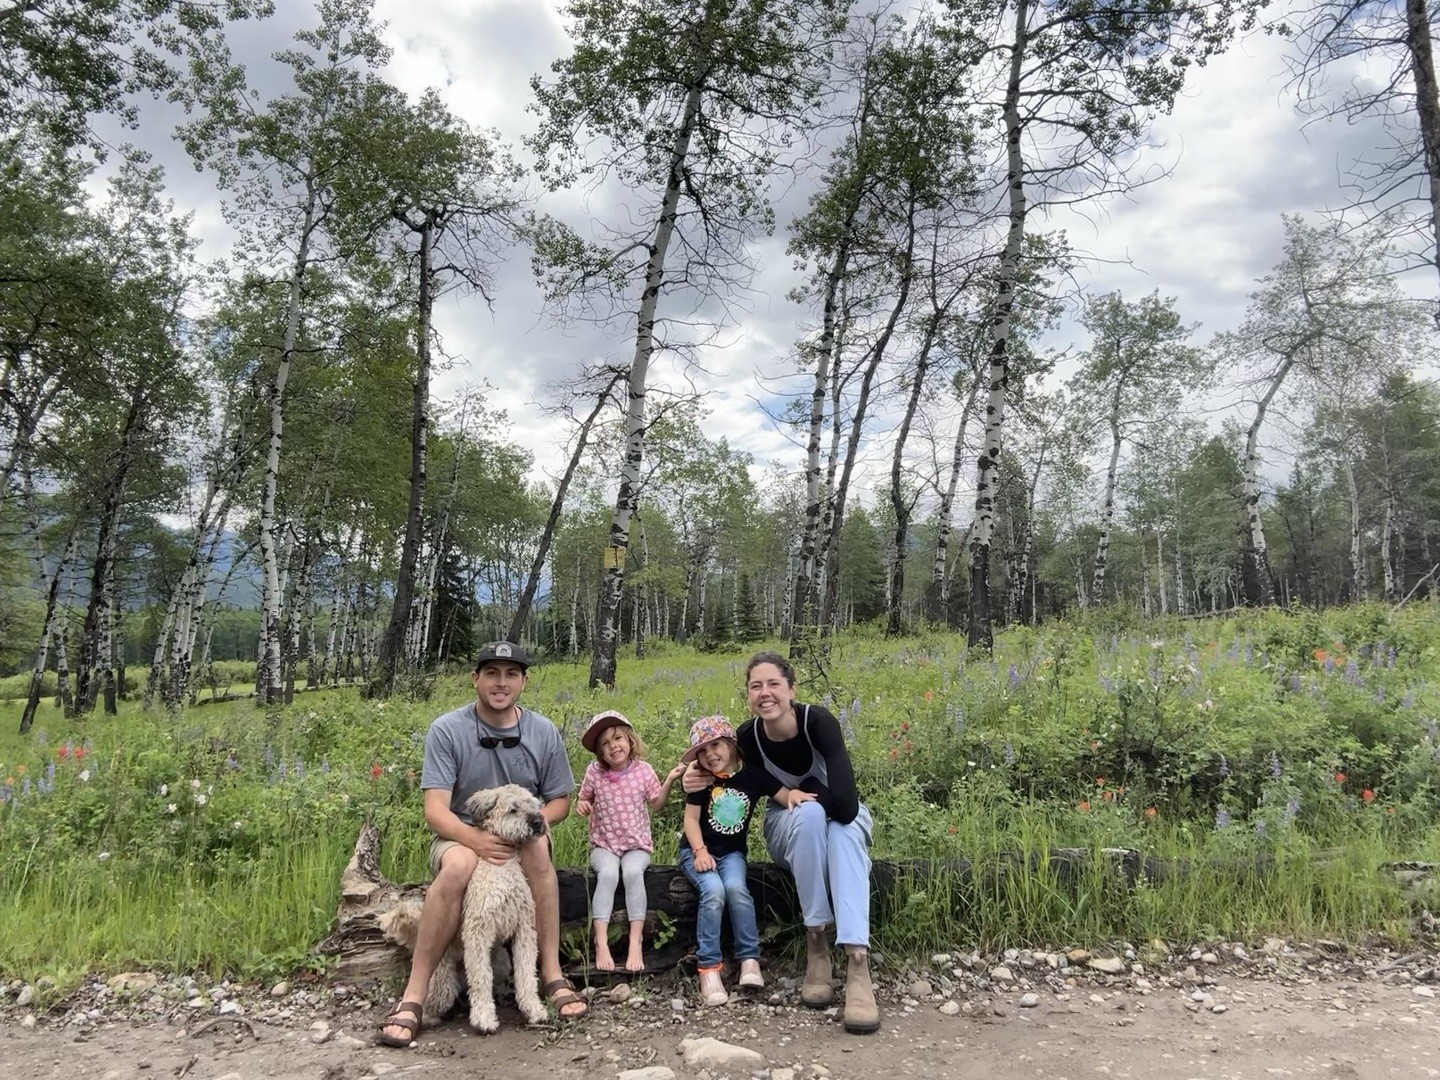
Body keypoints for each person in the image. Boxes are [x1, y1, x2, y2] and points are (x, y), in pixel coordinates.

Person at [377, 641, 587, 1048]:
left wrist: (528, 825)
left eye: (511, 674)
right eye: (491, 673)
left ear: (524, 682)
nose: (501, 683)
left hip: (522, 829)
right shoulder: (447, 729)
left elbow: (560, 802)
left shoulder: (543, 731)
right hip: (460, 832)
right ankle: (415, 994)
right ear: (475, 679)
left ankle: (551, 973)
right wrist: (477, 840)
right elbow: (436, 811)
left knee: (537, 849)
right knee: (458, 866)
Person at [683, 651, 878, 1034]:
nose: (765, 693)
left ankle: (857, 960)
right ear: (748, 695)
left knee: (840, 830)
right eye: (756, 686)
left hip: (841, 821)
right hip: (792, 832)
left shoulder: (818, 723)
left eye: (773, 683)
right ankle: (817, 939)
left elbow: (846, 806)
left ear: (792, 688)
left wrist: (808, 789)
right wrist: (691, 774)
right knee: (808, 816)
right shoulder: (747, 737)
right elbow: (715, 761)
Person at [678, 714, 814, 1007]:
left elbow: (783, 794)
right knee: (714, 892)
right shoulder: (701, 779)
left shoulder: (752, 775)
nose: (709, 754)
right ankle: (708, 967)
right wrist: (700, 851)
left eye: (715, 745)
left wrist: (797, 796)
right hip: (696, 851)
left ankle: (749, 959)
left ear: (730, 744)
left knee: (737, 889)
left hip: (732, 854)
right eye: (702, 750)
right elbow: (690, 820)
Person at [575, 709, 685, 972]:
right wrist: (582, 805)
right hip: (604, 844)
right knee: (608, 874)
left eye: (618, 739)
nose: (613, 746)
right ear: (599, 752)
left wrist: (670, 779)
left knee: (633, 872)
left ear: (630, 740)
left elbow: (656, 803)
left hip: (636, 845)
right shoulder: (594, 772)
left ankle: (636, 940)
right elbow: (583, 798)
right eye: (605, 743)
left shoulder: (643, 771)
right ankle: (600, 940)